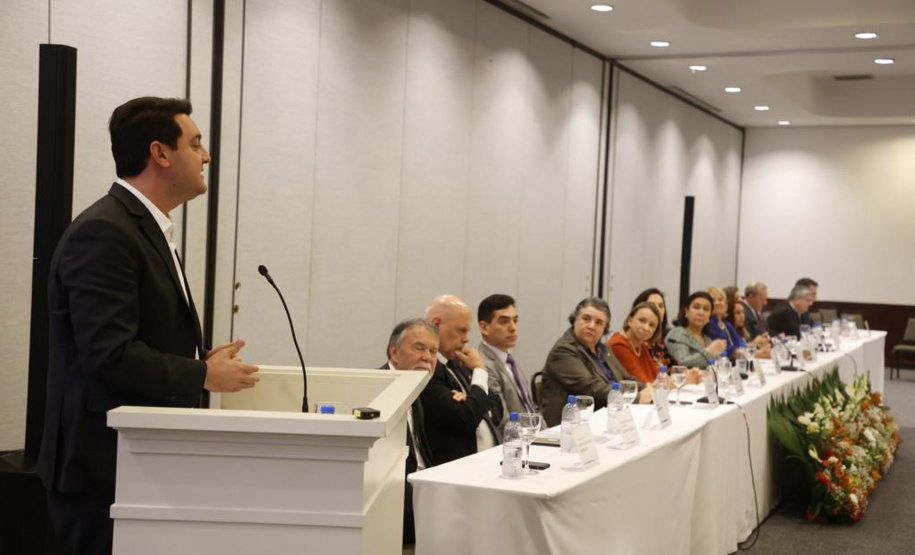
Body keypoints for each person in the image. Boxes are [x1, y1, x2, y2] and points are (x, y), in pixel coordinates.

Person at [38, 97, 260, 555]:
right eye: (195, 144)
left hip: (134, 463)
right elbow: (109, 355)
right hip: (101, 471)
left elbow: (139, 338)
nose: (206, 156)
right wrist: (202, 375)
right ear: (160, 153)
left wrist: (198, 360)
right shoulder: (105, 232)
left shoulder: (142, 227)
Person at [540, 297, 652, 427]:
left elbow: (626, 378)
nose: (591, 326)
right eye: (586, 319)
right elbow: (592, 388)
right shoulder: (563, 351)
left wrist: (648, 389)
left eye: (599, 323)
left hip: (606, 418)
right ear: (575, 319)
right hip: (572, 426)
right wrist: (636, 398)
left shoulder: (603, 349)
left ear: (605, 328)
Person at [419, 295, 502, 465]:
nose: (466, 339)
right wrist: (480, 371)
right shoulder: (427, 371)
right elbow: (466, 418)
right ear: (436, 324)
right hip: (457, 468)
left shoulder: (459, 363)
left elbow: (497, 406)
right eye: (461, 330)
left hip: (488, 461)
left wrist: (472, 401)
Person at [382, 318, 439, 546]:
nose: (427, 357)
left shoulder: (413, 390)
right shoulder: (378, 392)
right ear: (394, 353)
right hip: (393, 503)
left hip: (421, 490)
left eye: (433, 351)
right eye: (419, 348)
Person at [477, 294, 536, 435]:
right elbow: (503, 422)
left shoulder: (509, 360)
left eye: (515, 321)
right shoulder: (484, 365)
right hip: (515, 441)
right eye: (504, 322)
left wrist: (548, 434)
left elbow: (531, 409)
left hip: (532, 434)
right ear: (484, 328)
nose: (513, 327)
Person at [665, 291, 728, 368]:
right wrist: (710, 350)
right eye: (696, 307)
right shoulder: (677, 333)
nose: (701, 313)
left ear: (710, 315)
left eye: (706, 309)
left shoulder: (707, 338)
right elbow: (681, 363)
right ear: (686, 311)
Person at [631, 288, 672, 367]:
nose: (657, 310)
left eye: (661, 306)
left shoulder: (667, 339)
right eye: (652, 305)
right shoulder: (636, 342)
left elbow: (678, 368)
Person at [707, 287, 746, 358]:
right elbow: (724, 347)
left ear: (725, 304)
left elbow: (740, 343)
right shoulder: (709, 324)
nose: (717, 303)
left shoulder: (726, 324)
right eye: (713, 300)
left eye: (720, 300)